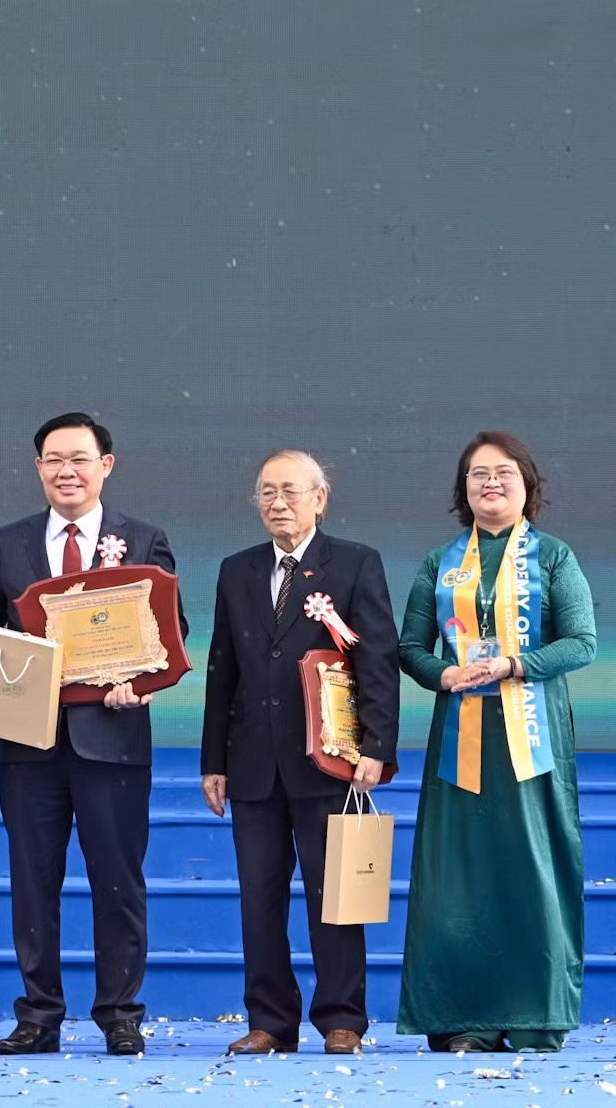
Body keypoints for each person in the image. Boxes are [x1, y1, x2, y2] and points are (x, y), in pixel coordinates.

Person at [0, 412, 183, 1057]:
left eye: (80, 459)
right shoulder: (10, 541)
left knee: (118, 881)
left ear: (105, 465)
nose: (67, 471)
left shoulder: (142, 537)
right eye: (54, 460)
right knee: (33, 882)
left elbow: (171, 630)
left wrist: (140, 681)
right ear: (38, 469)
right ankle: (39, 1015)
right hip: (27, 738)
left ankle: (120, 1013)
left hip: (111, 737)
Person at [395, 431, 597, 1054]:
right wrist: (442, 673)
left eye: (503, 473)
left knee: (531, 865)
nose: (490, 483)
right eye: (477, 474)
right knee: (459, 875)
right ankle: (464, 1016)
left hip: (531, 738)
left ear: (527, 485)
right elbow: (409, 647)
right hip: (460, 743)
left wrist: (514, 664)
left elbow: (582, 643)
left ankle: (536, 1012)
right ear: (463, 490)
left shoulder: (555, 558)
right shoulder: (439, 562)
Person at [199, 450, 402, 1055]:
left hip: (330, 762)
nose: (277, 503)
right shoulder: (237, 570)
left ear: (320, 497)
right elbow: (222, 670)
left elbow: (378, 661)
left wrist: (377, 744)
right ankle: (269, 1021)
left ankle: (342, 1018)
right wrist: (214, 760)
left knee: (333, 893)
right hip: (254, 766)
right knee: (258, 897)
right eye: (266, 492)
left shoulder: (355, 564)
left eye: (289, 491)